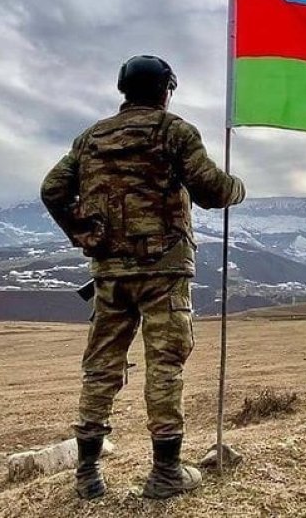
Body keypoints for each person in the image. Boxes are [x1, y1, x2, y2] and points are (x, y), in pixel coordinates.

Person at [40, 55, 245, 500]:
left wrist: (83, 232)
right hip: (164, 272)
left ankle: (87, 474)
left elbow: (52, 189)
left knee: (101, 367)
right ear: (167, 91)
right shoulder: (174, 131)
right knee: (165, 366)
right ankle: (165, 472)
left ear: (123, 90)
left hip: (111, 274)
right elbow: (211, 190)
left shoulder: (90, 138)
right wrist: (238, 188)